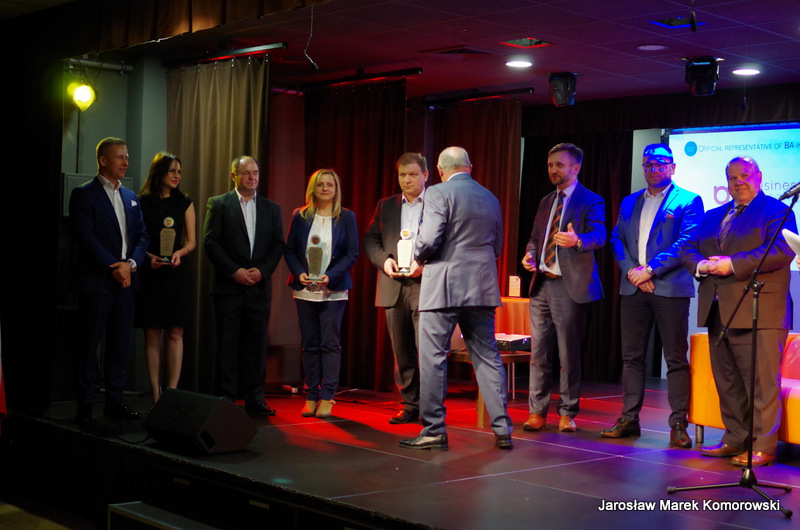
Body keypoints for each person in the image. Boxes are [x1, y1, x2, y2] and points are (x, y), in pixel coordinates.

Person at [681, 156, 795, 467]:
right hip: (718, 309)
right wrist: (701, 265)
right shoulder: (713, 215)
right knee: (727, 380)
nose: (738, 182)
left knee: (761, 383)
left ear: (759, 176)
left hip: (761, 311)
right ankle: (735, 438)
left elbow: (781, 250)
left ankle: (763, 446)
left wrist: (731, 264)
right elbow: (687, 247)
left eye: (745, 175)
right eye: (732, 178)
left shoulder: (777, 210)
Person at [399, 146, 513, 451]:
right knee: (487, 357)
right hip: (482, 286)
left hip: (443, 287)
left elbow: (428, 239)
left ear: (439, 170)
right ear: (469, 166)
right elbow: (497, 245)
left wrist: (416, 257)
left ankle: (434, 430)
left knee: (433, 358)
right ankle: (502, 429)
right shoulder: (490, 197)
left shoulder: (438, 192)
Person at [600, 144, 703, 447]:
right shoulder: (630, 201)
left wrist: (651, 271)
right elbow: (617, 239)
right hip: (634, 288)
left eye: (660, 163)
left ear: (673, 167)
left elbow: (687, 241)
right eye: (648, 164)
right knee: (632, 358)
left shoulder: (689, 200)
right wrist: (633, 272)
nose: (653, 169)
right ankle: (629, 419)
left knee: (675, 358)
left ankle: (678, 424)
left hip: (669, 289)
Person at [521, 143, 605, 433]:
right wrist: (530, 254)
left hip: (569, 287)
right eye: (550, 165)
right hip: (541, 284)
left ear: (575, 168)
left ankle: (567, 412)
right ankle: (537, 412)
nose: (553, 170)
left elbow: (600, 235)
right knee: (538, 353)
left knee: (568, 355)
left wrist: (577, 240)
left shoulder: (591, 200)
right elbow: (535, 237)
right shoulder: (546, 201)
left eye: (559, 165)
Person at [69, 137, 149, 425]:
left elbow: (143, 235)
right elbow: (85, 237)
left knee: (120, 344)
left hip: (127, 283)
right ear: (103, 160)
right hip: (98, 283)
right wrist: (112, 267)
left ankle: (115, 401)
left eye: (126, 156)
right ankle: (85, 404)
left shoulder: (130, 196)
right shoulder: (84, 194)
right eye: (120, 157)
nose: (126, 162)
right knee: (89, 344)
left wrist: (131, 265)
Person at [204, 156, 284, 416]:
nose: (253, 177)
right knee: (227, 345)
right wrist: (234, 271)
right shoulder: (219, 204)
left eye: (256, 172)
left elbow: (278, 245)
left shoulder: (271, 208)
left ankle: (255, 399)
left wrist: (262, 271)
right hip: (228, 287)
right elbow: (211, 242)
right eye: (247, 173)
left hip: (259, 288)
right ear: (234, 176)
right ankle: (226, 398)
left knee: (256, 346)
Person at [284, 169, 359, 419]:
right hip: (306, 290)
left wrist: (331, 275)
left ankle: (328, 396)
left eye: (330, 185)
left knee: (330, 343)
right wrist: (299, 273)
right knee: (310, 344)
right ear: (313, 189)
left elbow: (352, 253)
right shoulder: (300, 215)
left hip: (333, 291)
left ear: (336, 190)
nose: (325, 189)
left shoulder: (346, 217)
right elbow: (290, 250)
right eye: (320, 185)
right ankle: (311, 395)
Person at [363, 153, 428, 424]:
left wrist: (424, 263)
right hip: (393, 284)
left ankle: (431, 409)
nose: (407, 180)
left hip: (424, 284)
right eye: (402, 175)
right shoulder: (386, 205)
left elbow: (447, 239)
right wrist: (384, 261)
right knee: (402, 352)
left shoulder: (437, 203)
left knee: (427, 351)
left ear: (425, 175)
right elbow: (371, 240)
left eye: (412, 174)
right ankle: (410, 405)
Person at [134, 152, 196, 405]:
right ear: (159, 172)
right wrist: (149, 257)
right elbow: (136, 238)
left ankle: (171, 392)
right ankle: (155, 393)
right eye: (171, 171)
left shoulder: (185, 202)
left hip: (176, 272)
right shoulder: (141, 202)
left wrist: (180, 253)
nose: (176, 176)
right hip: (150, 272)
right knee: (151, 334)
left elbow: (191, 241)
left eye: (179, 171)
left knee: (176, 333)